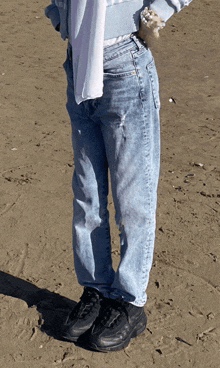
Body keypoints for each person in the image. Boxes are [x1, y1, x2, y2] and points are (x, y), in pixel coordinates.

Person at [44, 0, 193, 352]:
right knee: (87, 193)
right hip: (79, 62)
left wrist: (156, 12)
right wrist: (60, 15)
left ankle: (129, 300)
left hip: (126, 63)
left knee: (133, 197)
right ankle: (96, 289)